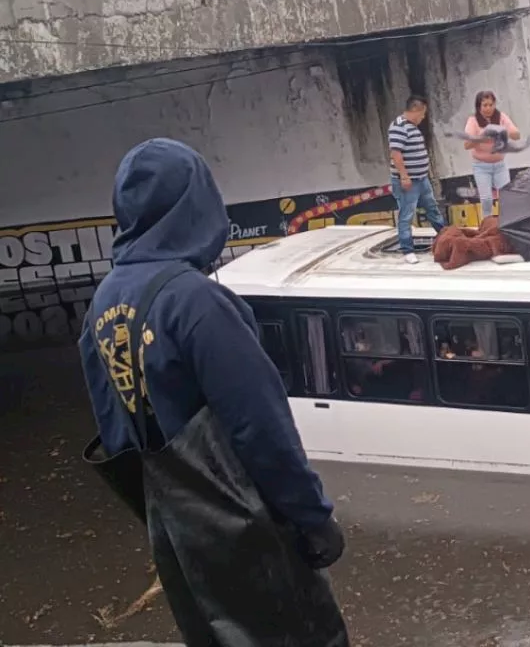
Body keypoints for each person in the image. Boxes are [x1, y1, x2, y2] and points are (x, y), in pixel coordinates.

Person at [78, 139, 349, 645]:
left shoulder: (101, 303)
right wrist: (312, 517)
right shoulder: (196, 301)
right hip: (249, 529)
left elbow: (115, 440)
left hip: (179, 537)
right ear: (195, 203)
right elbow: (260, 426)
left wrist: (173, 521)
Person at [389, 95, 446, 264]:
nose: (423, 117)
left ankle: (445, 236)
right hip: (409, 181)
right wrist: (404, 176)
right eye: (422, 114)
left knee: (432, 209)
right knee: (406, 214)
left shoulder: (412, 127)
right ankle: (407, 250)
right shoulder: (398, 127)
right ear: (415, 110)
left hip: (422, 179)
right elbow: (396, 154)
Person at [463, 90, 521, 219]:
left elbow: (517, 135)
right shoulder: (473, 120)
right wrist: (483, 136)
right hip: (481, 166)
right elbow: (467, 145)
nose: (488, 108)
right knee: (487, 199)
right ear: (479, 107)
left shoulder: (501, 117)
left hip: (500, 165)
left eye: (491, 104)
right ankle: (487, 224)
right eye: (485, 105)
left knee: (506, 198)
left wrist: (503, 131)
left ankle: (507, 223)